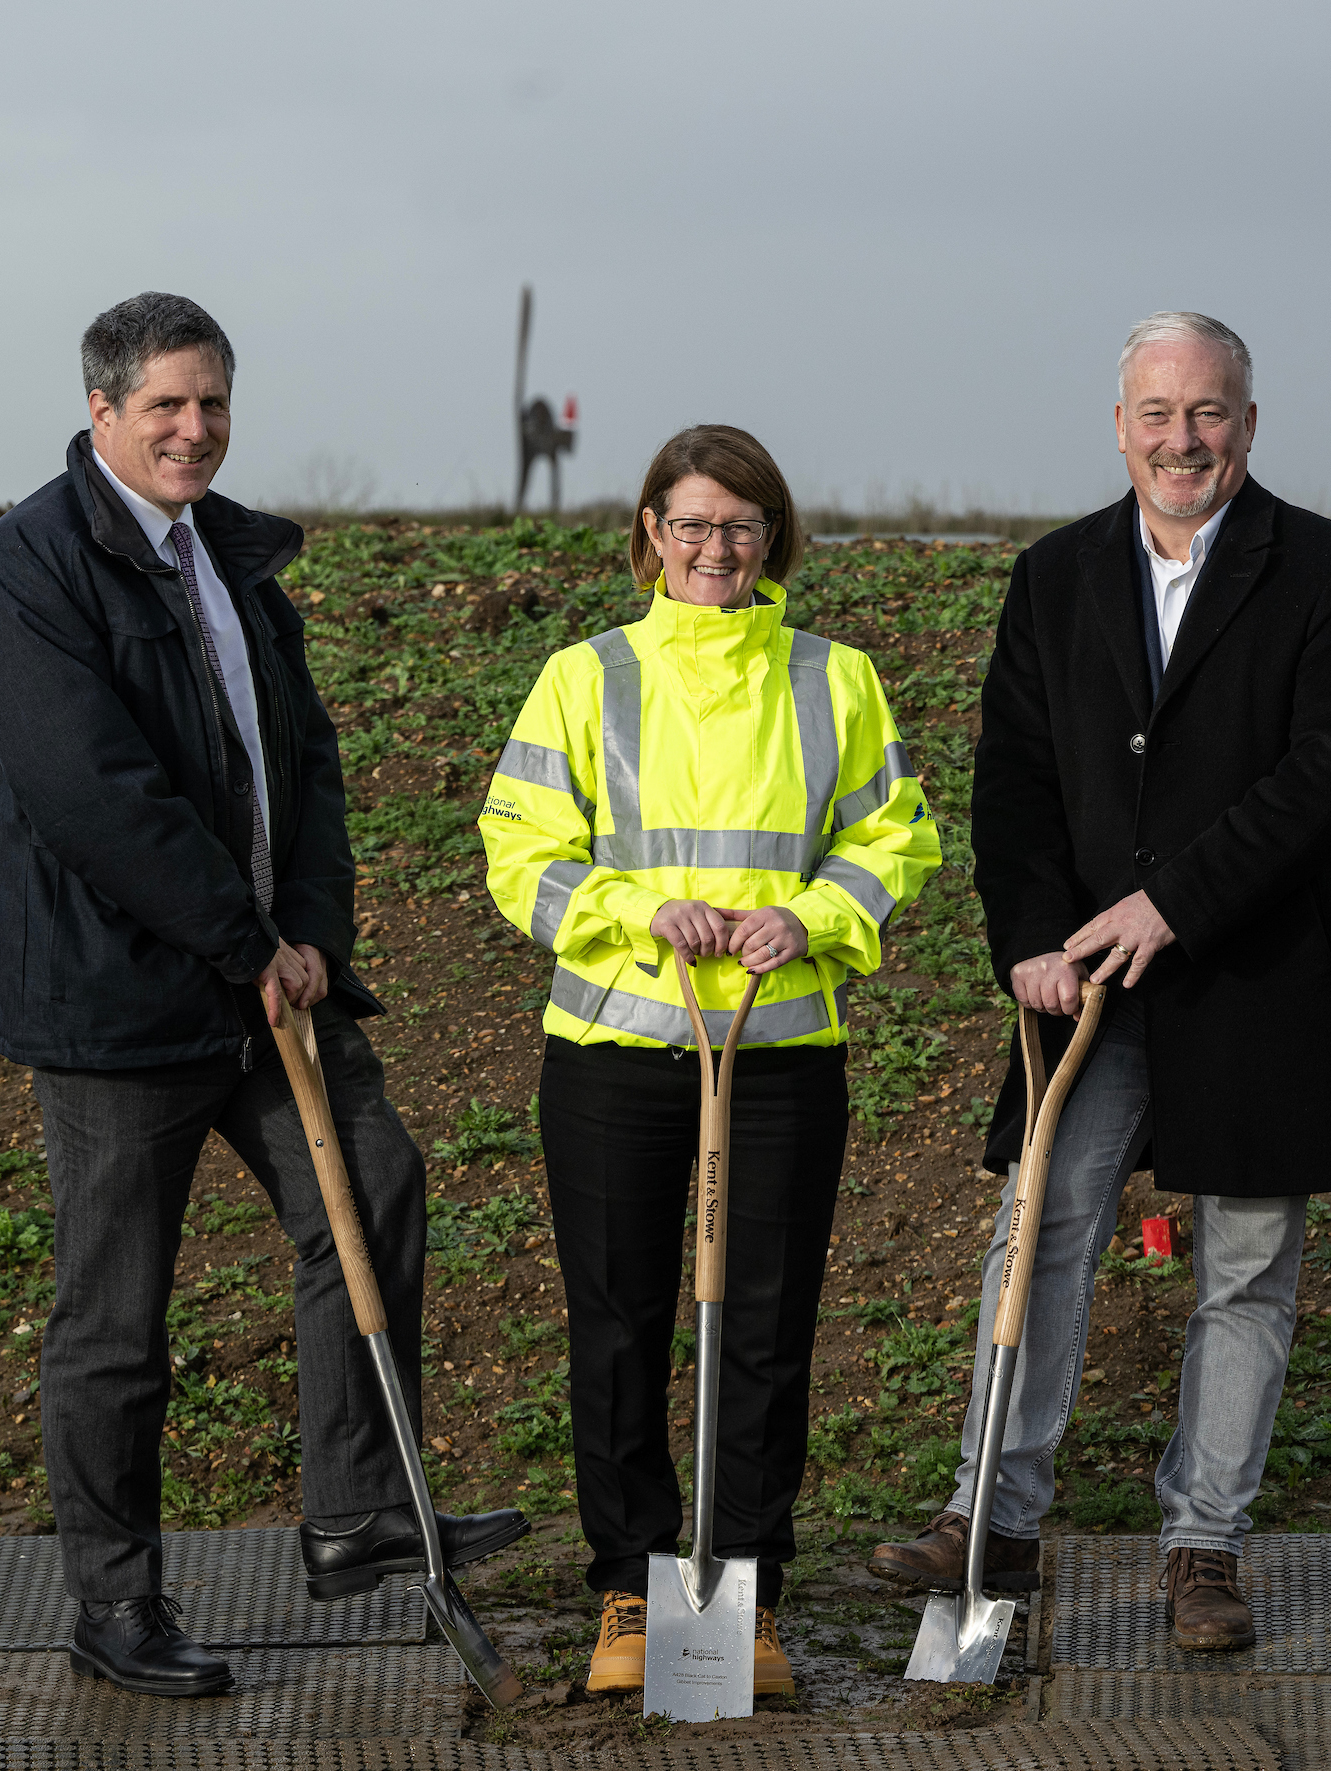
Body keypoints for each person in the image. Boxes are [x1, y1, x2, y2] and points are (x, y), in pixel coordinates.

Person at [0, 292, 525, 1699]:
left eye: (212, 402)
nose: (195, 429)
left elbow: (308, 759)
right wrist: (240, 935)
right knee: (116, 1316)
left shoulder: (231, 558)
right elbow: (96, 795)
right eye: (166, 405)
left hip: (271, 985)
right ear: (101, 410)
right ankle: (115, 1599)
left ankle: (354, 1509)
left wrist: (314, 928)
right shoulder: (30, 566)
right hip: (118, 1003)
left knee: (374, 1187)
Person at [868, 313, 1331, 1649]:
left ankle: (1202, 1547)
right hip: (1085, 987)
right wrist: (1035, 937)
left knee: (1244, 1266)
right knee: (1036, 1234)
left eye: (1209, 412)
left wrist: (1174, 902)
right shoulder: (1054, 577)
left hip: (1259, 977)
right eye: (1158, 413)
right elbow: (1016, 780)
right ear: (1120, 427)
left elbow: (1326, 776)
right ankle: (991, 1513)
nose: (1183, 439)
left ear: (1249, 425)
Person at [480, 425, 941, 1698]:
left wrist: (818, 917)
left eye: (739, 526)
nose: (713, 549)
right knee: (620, 1323)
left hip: (781, 1051)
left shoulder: (834, 676)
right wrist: (634, 911)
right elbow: (517, 847)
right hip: (617, 1049)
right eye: (689, 524)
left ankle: (743, 1592)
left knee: (763, 1329)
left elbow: (891, 836)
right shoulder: (585, 676)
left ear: (772, 538)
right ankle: (632, 1590)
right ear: (648, 532)